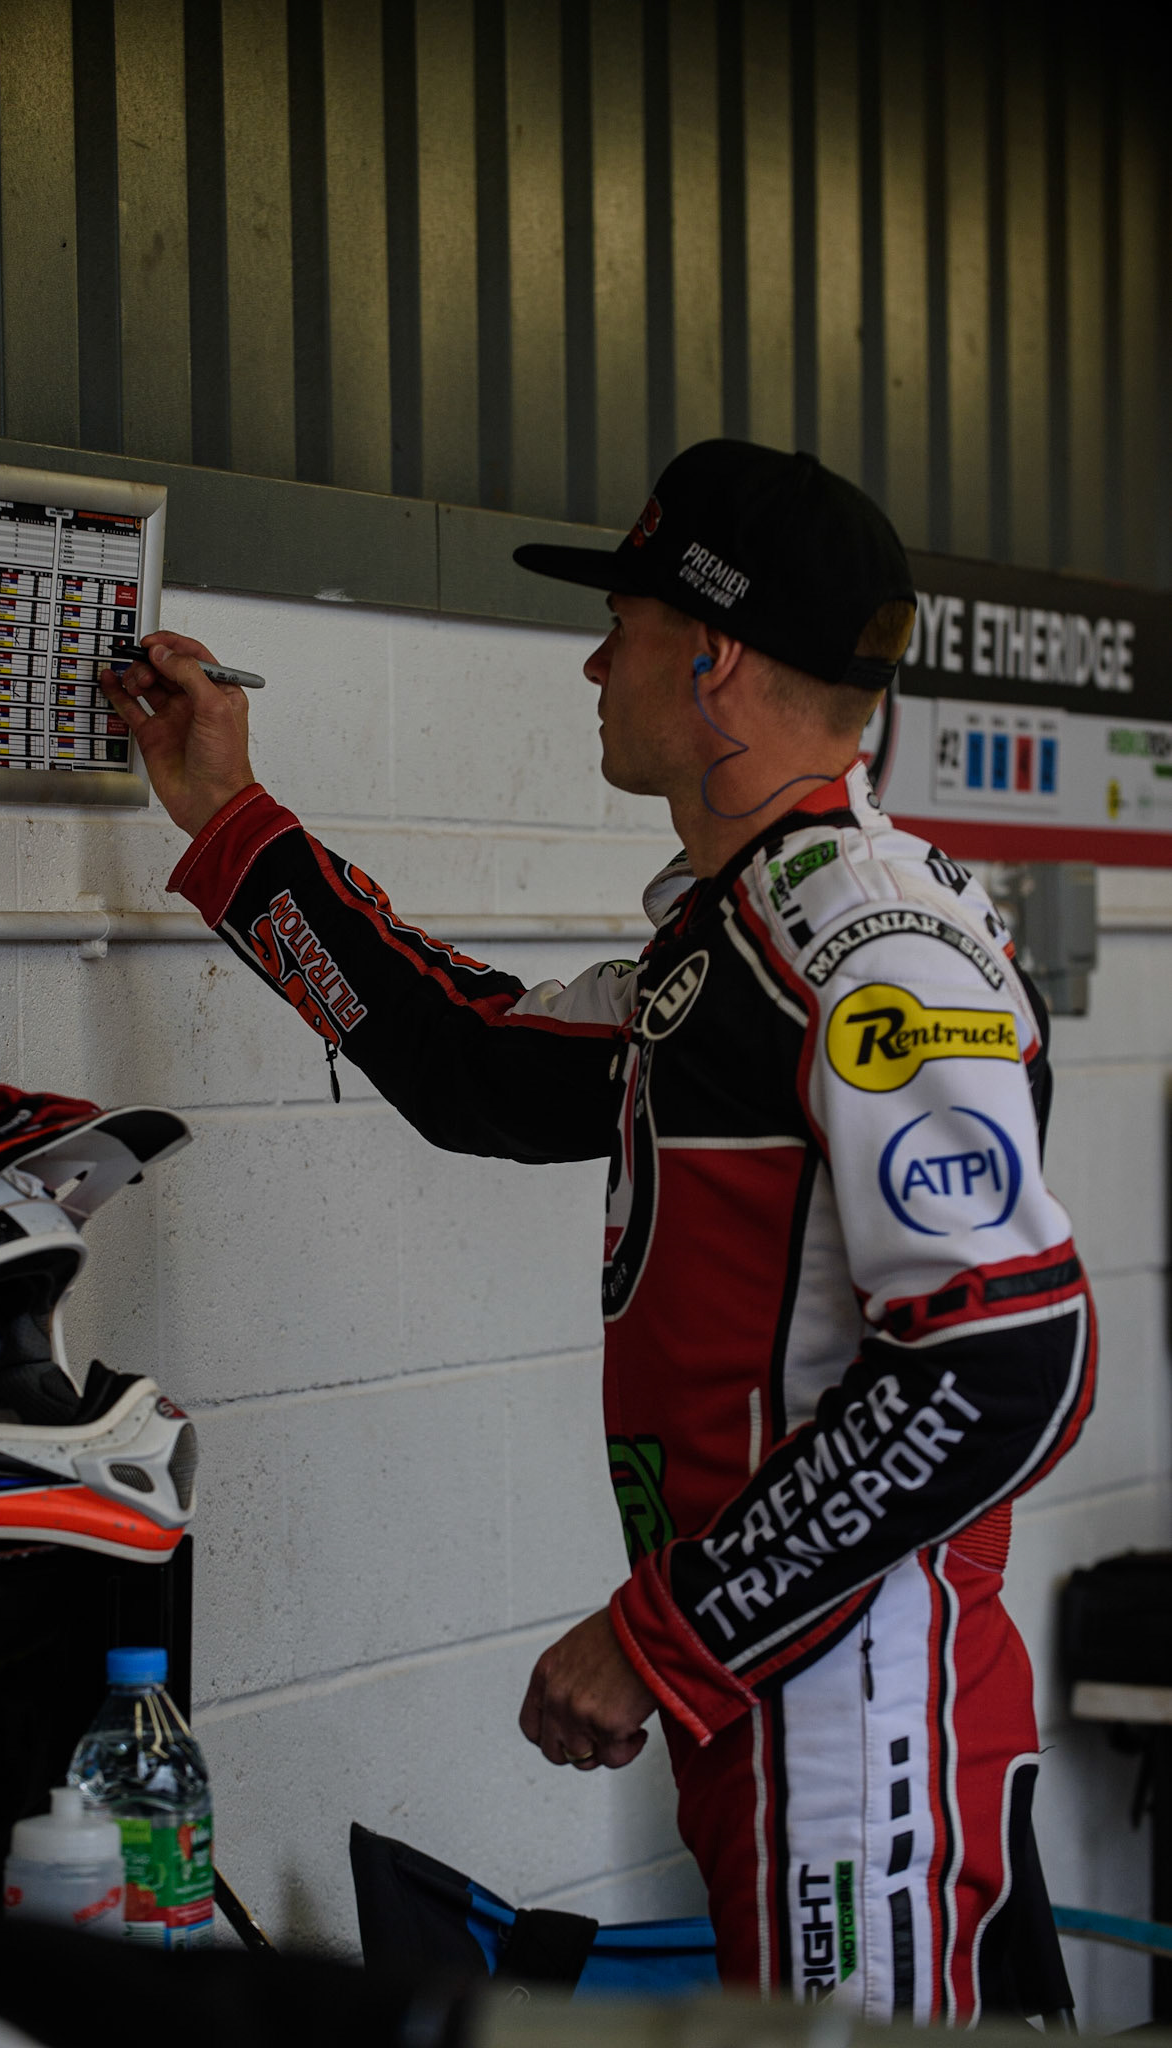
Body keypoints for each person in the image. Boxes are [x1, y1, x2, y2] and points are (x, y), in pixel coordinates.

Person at [101, 440, 1095, 2023]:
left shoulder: (874, 952)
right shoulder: (743, 941)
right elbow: (480, 1064)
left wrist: (667, 1634)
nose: (591, 659)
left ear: (710, 662)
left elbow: (1002, 1360)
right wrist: (228, 818)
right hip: (787, 1705)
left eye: (620, 623)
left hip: (852, 1734)